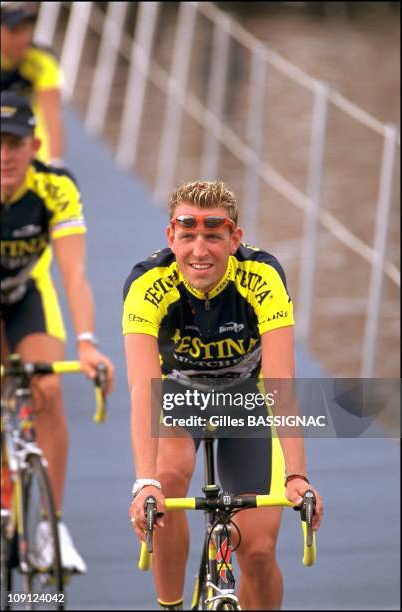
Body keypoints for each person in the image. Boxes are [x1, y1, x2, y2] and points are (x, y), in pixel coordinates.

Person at [123, 180, 323, 610]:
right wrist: (145, 484)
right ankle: (171, 604)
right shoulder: (147, 283)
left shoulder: (262, 277)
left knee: (257, 551)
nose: (200, 249)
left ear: (235, 239)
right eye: (188, 233)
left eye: (213, 235)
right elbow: (143, 385)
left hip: (245, 398)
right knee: (170, 476)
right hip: (178, 394)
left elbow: (280, 380)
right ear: (170, 237)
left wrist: (297, 476)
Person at [1, 91, 115, 573]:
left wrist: (88, 344)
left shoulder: (55, 187)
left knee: (46, 386)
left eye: (15, 143)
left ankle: (51, 526)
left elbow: (74, 275)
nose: (5, 154)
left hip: (27, 293)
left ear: (36, 145)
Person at [1, 1, 64, 165]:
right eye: (14, 30)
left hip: (28, 142)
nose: (23, 38)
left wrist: (55, 162)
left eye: (26, 29)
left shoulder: (43, 61)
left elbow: (52, 117)